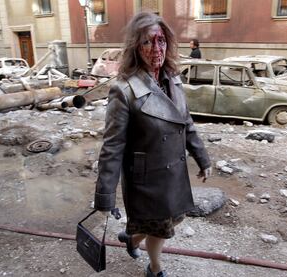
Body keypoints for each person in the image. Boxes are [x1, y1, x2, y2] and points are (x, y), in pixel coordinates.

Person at [94, 11, 212, 277]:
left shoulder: (173, 78)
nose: (156, 48)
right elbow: (112, 147)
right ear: (136, 46)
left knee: (168, 221)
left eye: (161, 41)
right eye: (147, 42)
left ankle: (131, 238)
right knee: (161, 228)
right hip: (146, 179)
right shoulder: (123, 90)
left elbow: (186, 123)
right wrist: (105, 194)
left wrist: (202, 158)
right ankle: (155, 268)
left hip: (174, 173)